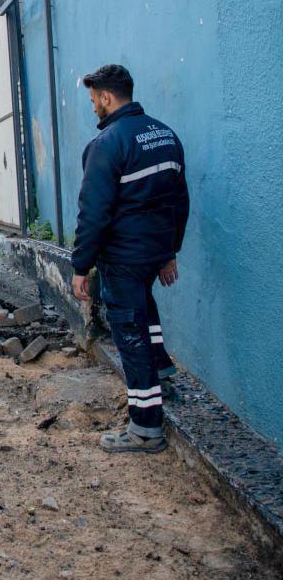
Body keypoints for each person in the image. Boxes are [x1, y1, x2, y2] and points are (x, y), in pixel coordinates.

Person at [71, 64, 189, 454]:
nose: (93, 109)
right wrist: (168, 252)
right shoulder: (165, 135)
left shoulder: (107, 145)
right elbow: (179, 201)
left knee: (132, 336)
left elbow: (93, 214)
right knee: (145, 313)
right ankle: (163, 376)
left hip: (122, 258)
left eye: (93, 101)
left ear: (106, 97)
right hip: (153, 255)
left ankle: (144, 428)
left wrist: (80, 266)